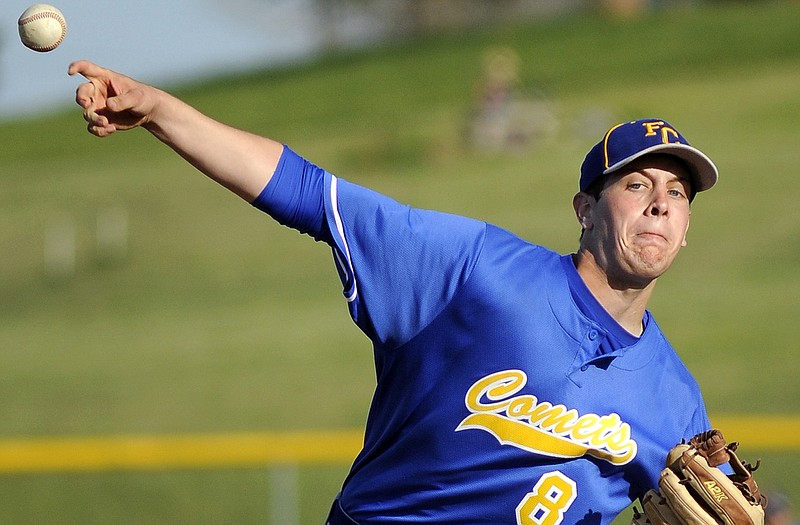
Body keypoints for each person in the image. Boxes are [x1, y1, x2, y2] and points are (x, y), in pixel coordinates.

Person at [69, 60, 721, 525]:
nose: (660, 204)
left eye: (677, 193)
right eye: (637, 185)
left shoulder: (676, 404)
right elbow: (309, 193)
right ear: (584, 207)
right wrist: (159, 111)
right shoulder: (479, 270)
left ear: (688, 227)